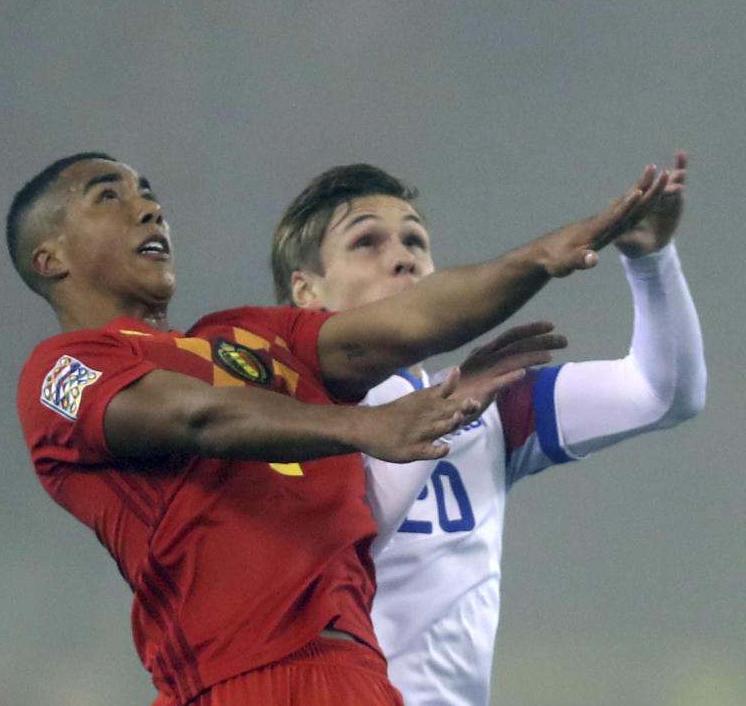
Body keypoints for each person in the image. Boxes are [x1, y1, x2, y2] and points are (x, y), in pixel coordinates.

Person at [11, 151, 665, 706]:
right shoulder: (61, 372)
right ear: (50, 257)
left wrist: (538, 260)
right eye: (110, 198)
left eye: (150, 196)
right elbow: (196, 414)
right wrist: (362, 425)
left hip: (358, 676)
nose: (149, 210)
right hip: (241, 678)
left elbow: (407, 325)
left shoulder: (245, 336)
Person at [270, 152, 706, 706]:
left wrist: (652, 260)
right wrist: (447, 410)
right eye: (367, 242)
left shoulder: (487, 403)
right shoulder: (279, 409)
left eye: (415, 241)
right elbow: (334, 551)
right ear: (306, 292)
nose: (403, 258)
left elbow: (662, 394)